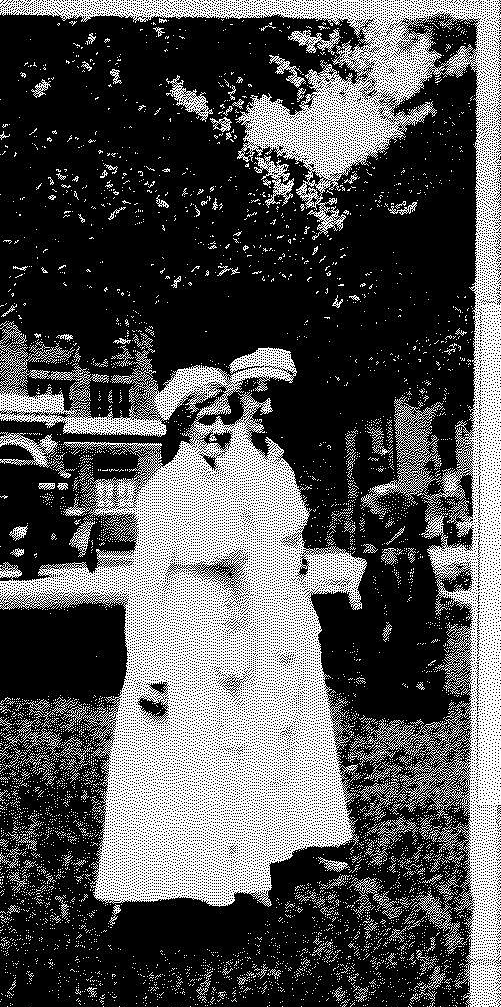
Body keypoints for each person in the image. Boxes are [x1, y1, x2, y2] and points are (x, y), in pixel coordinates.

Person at [94, 366, 315, 913]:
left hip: (232, 629)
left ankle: (232, 878)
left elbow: (269, 542)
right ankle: (152, 884)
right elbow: (153, 581)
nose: (217, 430)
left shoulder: (238, 484)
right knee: (171, 755)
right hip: (181, 628)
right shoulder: (167, 491)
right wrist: (147, 661)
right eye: (202, 420)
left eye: (223, 416)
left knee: (231, 754)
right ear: (181, 427)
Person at [224, 348, 360, 863]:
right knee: (250, 717)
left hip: (286, 597)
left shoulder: (273, 456)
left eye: (276, 398)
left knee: (298, 714)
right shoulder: (222, 459)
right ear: (234, 396)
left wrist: (297, 565)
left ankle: (309, 830)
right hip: (244, 599)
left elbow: (289, 527)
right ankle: (254, 837)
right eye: (257, 394)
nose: (267, 407)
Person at [357, 480, 445, 708]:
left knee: (384, 621)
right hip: (414, 561)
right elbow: (426, 529)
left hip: (388, 565)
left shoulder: (371, 500)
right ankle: (416, 674)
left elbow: (362, 541)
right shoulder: (410, 497)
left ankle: (391, 680)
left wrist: (375, 548)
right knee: (418, 619)